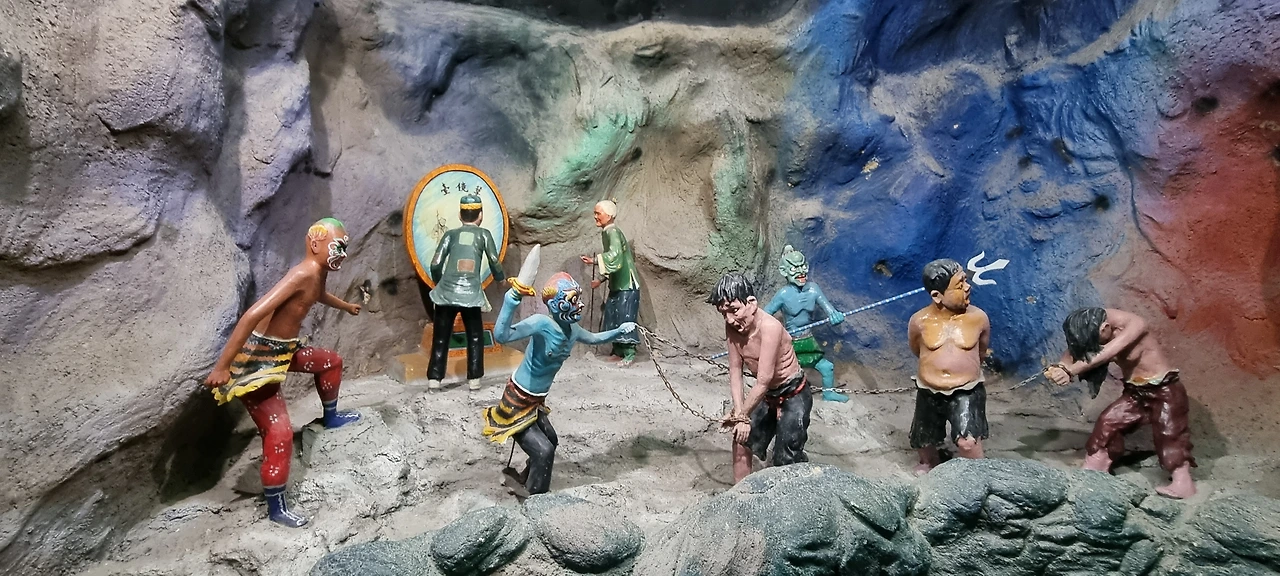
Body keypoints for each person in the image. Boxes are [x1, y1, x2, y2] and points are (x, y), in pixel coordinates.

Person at [204, 217, 363, 528]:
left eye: (344, 248)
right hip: (260, 361)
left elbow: (317, 295)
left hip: (284, 352)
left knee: (330, 362)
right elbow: (252, 315)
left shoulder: (317, 273)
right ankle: (277, 508)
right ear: (315, 244)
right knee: (280, 433)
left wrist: (344, 306)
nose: (342, 254)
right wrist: (222, 366)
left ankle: (330, 417)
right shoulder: (302, 273)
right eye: (337, 247)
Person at [481, 269, 636, 498]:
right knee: (543, 451)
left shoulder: (573, 330)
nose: (579, 305)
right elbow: (503, 336)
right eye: (572, 300)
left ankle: (528, 478)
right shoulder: (541, 324)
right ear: (554, 305)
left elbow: (594, 338)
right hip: (517, 400)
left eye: (578, 298)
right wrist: (512, 298)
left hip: (537, 401)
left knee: (551, 441)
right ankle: (536, 497)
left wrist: (619, 331)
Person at [1046, 307, 1197, 498]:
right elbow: (1076, 348)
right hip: (1135, 392)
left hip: (1164, 389)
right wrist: (1061, 366)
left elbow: (1107, 352)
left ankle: (1183, 483)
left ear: (1105, 328)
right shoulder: (1093, 325)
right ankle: (1096, 466)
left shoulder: (1134, 324)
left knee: (1170, 433)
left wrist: (1071, 371)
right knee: (1108, 422)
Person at [709, 272, 811, 484]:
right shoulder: (732, 327)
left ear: (752, 303)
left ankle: (794, 483)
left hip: (793, 393)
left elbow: (764, 380)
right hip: (767, 396)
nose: (730, 319)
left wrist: (742, 416)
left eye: (734, 310)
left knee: (785, 457)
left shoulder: (770, 327)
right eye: (724, 313)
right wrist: (739, 413)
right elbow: (735, 370)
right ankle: (740, 492)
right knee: (741, 438)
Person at [907, 258, 990, 475]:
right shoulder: (919, 321)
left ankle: (974, 471)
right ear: (937, 295)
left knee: (968, 442)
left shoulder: (979, 318)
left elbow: (981, 351)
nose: (968, 287)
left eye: (966, 281)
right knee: (924, 436)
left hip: (966, 389)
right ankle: (929, 461)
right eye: (960, 285)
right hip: (928, 389)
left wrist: (963, 370)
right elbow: (916, 348)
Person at [426, 193, 506, 391]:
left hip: (445, 293)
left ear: (460, 215)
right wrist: (501, 278)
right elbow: (494, 260)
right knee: (475, 336)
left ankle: (434, 379)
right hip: (471, 294)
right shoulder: (484, 235)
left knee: (441, 336)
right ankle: (474, 379)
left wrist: (440, 283)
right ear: (480, 215)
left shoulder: (450, 235)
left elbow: (435, 263)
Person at [764, 245, 849, 402]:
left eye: (802, 266)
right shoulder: (783, 294)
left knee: (827, 367)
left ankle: (828, 394)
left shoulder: (813, 289)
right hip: (789, 341)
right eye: (794, 268)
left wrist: (836, 317)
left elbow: (831, 311)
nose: (800, 272)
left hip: (807, 339)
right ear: (784, 271)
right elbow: (764, 315)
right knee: (781, 371)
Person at [580, 199, 641, 366]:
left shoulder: (612, 232)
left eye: (598, 213)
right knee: (613, 316)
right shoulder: (607, 232)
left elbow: (615, 256)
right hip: (617, 284)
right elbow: (614, 263)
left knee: (624, 317)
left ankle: (629, 353)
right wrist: (600, 280)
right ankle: (618, 351)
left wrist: (594, 260)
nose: (595, 217)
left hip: (627, 285)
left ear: (609, 215)